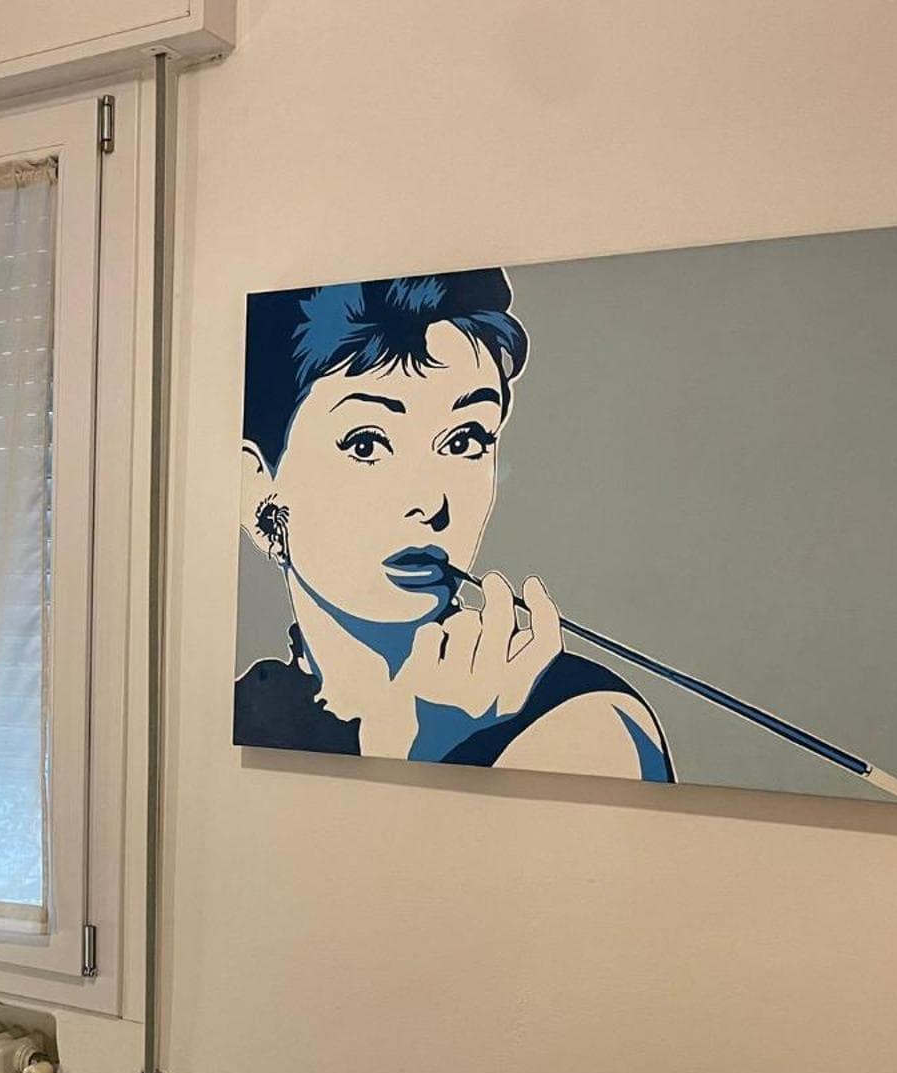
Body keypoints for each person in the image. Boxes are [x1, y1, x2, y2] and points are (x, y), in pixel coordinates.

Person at [235, 271, 673, 780]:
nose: (430, 503)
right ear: (258, 490)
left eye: (464, 441)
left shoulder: (581, 725)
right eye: (367, 444)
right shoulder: (244, 715)